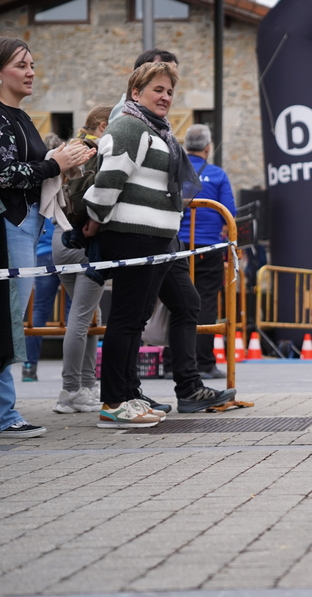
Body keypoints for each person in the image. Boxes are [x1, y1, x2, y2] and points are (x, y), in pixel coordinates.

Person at [84, 62, 232, 427]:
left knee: (139, 317)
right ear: (136, 93)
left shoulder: (155, 130)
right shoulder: (130, 126)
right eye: (157, 90)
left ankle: (129, 395)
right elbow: (108, 180)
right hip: (134, 236)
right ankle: (115, 401)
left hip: (155, 238)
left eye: (169, 91)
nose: (165, 97)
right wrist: (95, 219)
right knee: (127, 318)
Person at [0, 38, 93, 436]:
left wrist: (61, 163)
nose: (31, 71)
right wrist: (55, 164)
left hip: (19, 224)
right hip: (4, 224)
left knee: (5, 321)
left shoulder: (16, 116)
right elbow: (3, 174)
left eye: (32, 64)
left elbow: (20, 171)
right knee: (5, 321)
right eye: (21, 65)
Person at [51, 106, 110, 414]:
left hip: (60, 237)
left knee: (88, 314)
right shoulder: (96, 151)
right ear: (103, 125)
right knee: (82, 317)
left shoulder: (70, 148)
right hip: (84, 238)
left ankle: (85, 386)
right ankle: (71, 389)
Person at [178, 124, 236, 380]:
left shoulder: (176, 171)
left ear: (185, 147)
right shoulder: (217, 174)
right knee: (206, 302)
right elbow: (230, 212)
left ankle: (170, 362)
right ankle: (203, 363)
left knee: (173, 302)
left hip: (177, 247)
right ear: (208, 148)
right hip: (208, 247)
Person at [23, 132, 66, 382]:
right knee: (73, 309)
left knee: (39, 309)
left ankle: (30, 366)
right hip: (65, 247)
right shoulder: (64, 178)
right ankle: (73, 369)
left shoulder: (34, 178)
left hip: (42, 251)